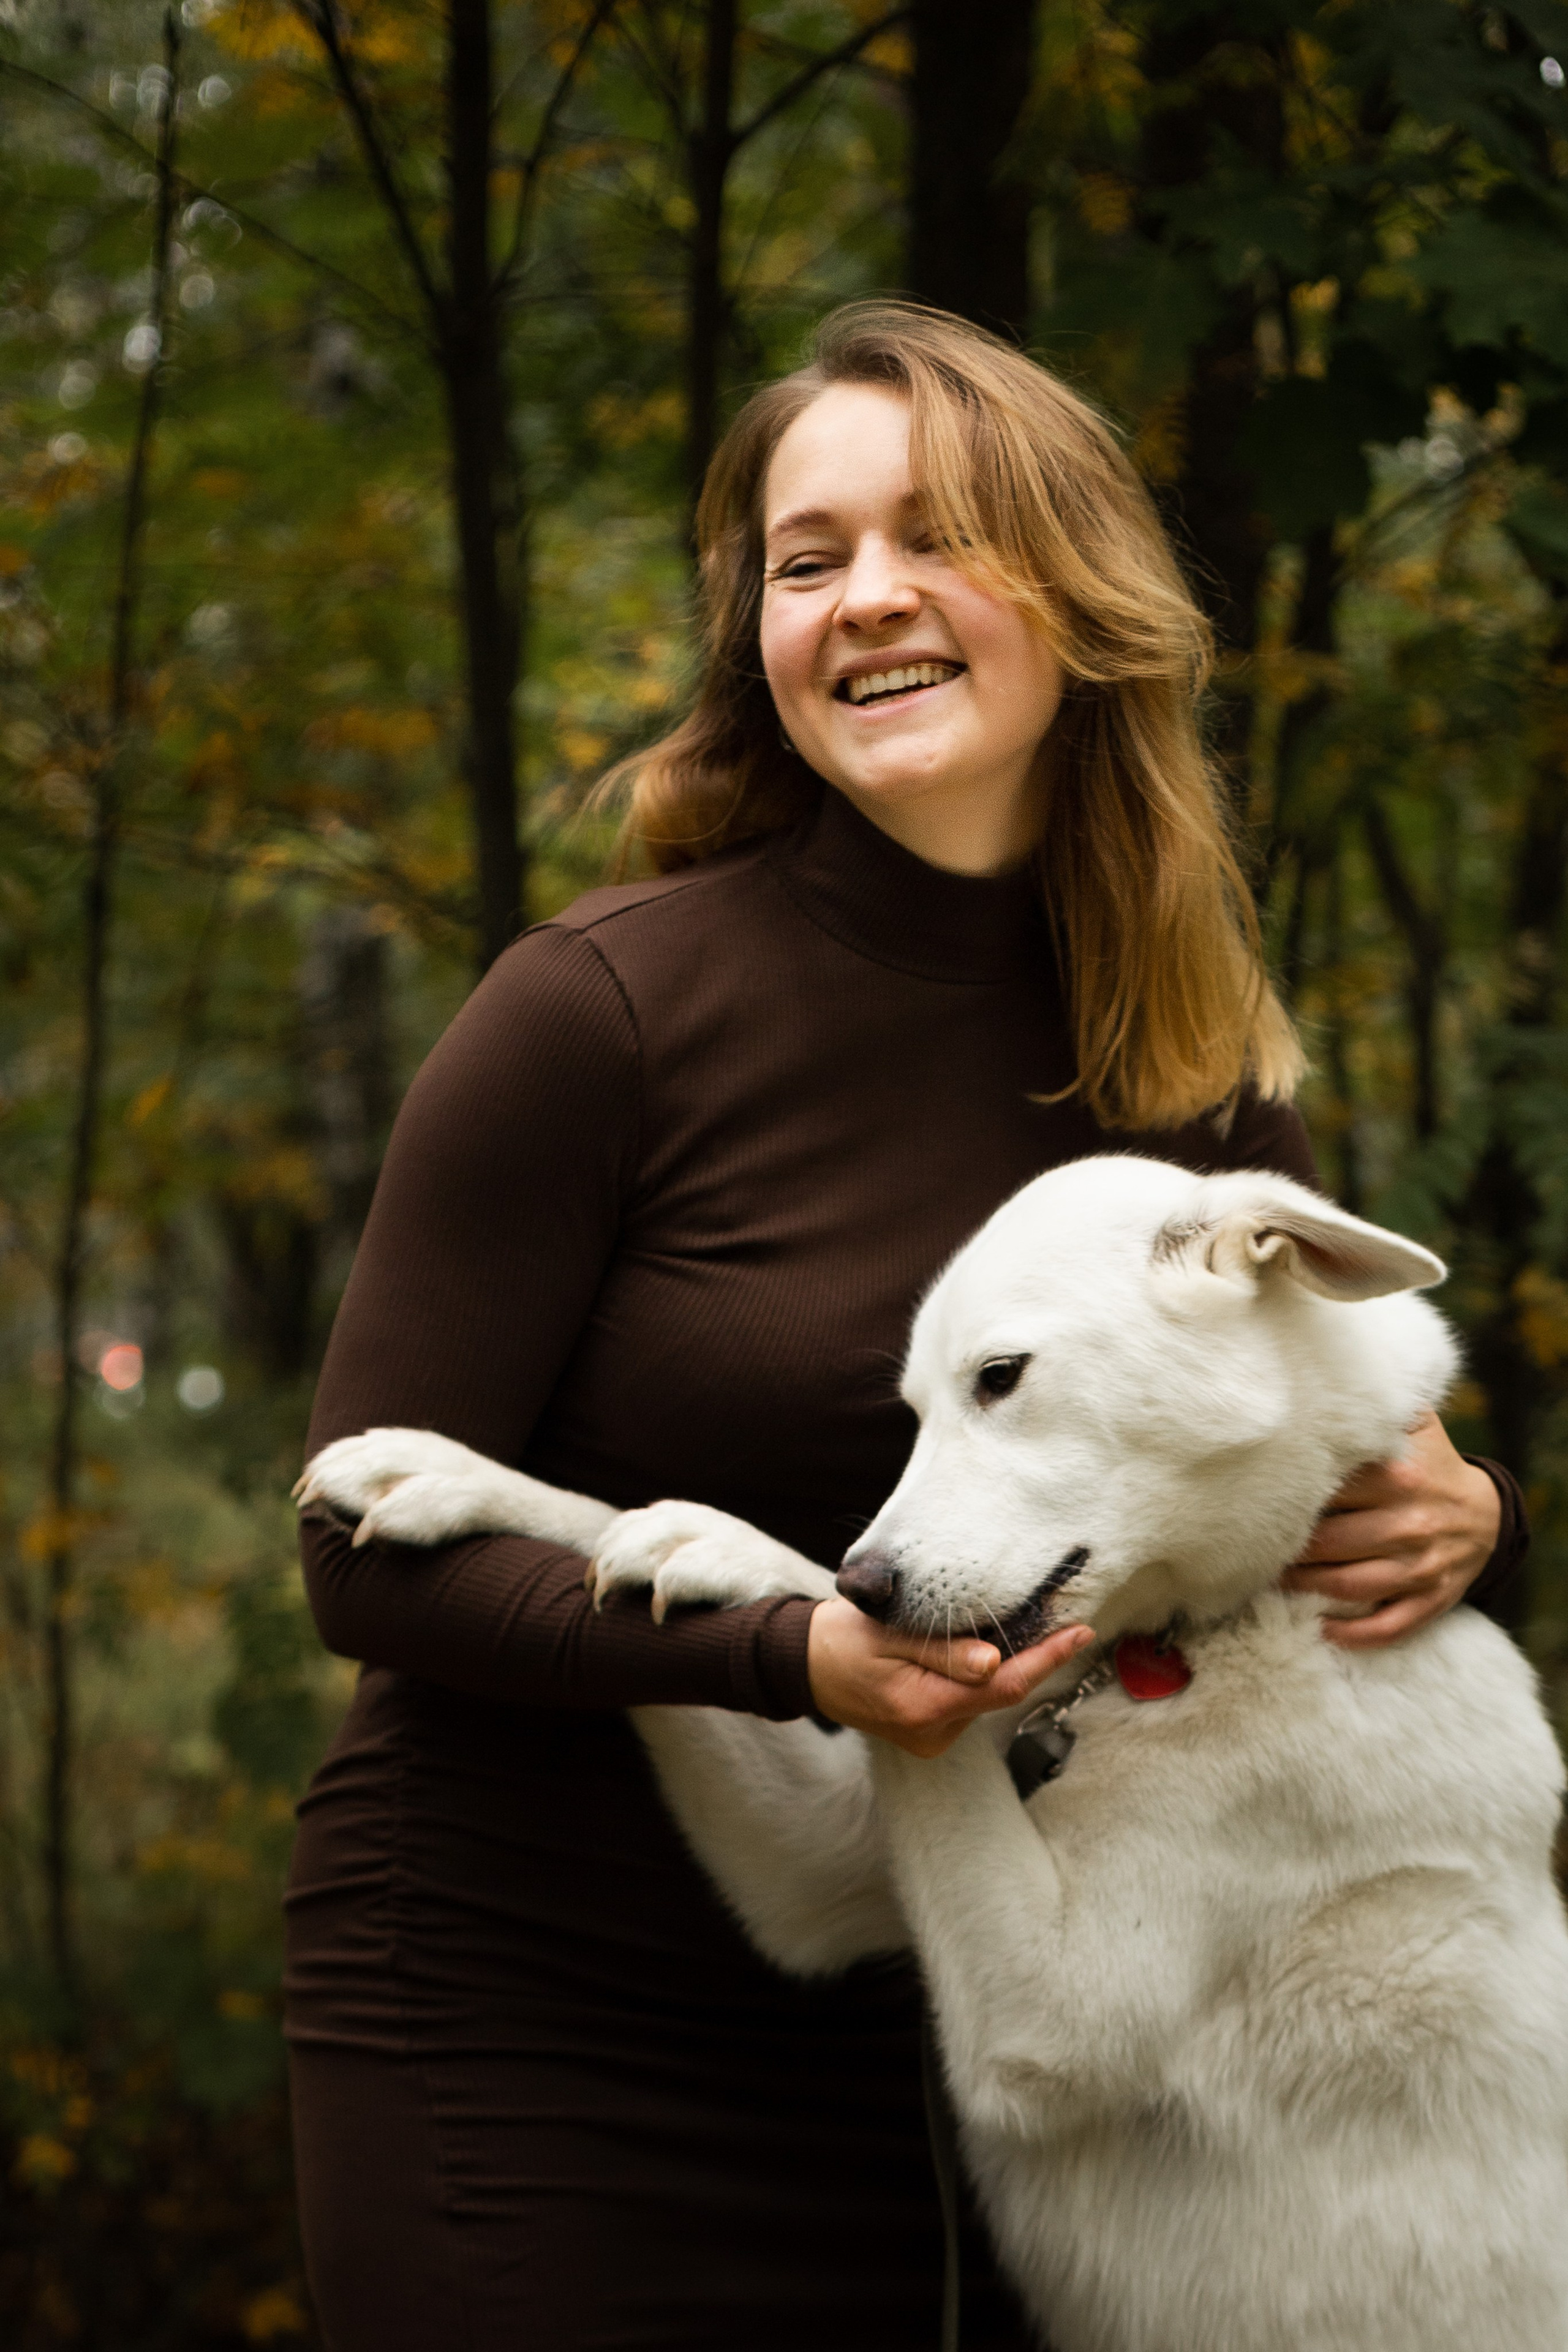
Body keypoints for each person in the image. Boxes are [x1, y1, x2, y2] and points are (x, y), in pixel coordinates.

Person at [285, 303, 1526, 2351]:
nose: (870, 599)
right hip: (529, 2009)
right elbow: (354, 1551)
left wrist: (1453, 1507)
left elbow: (1274, 1525)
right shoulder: (597, 1014)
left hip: (927, 2026)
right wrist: (797, 1649)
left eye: (939, 535)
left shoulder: (1190, 1064)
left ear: (1080, 588)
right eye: (807, 557)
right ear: (758, 633)